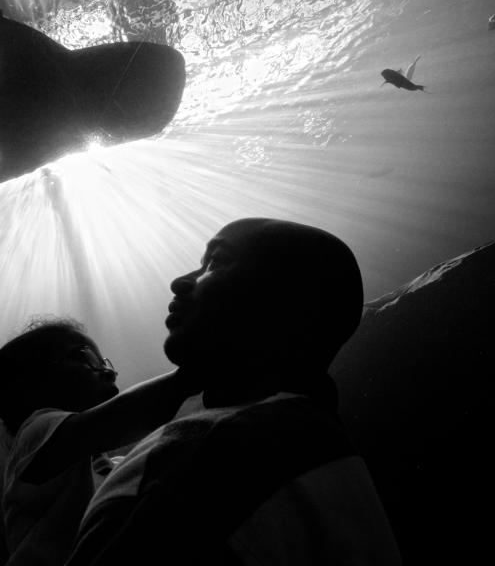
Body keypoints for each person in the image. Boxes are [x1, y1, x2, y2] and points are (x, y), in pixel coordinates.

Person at [66, 219, 402, 566]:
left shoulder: (225, 450)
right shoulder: (311, 443)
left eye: (216, 261)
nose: (180, 281)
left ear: (287, 301)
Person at [0, 317, 199, 566]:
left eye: (105, 362)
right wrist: (192, 377)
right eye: (88, 358)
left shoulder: (109, 467)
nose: (109, 371)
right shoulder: (33, 434)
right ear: (35, 382)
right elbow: (119, 419)